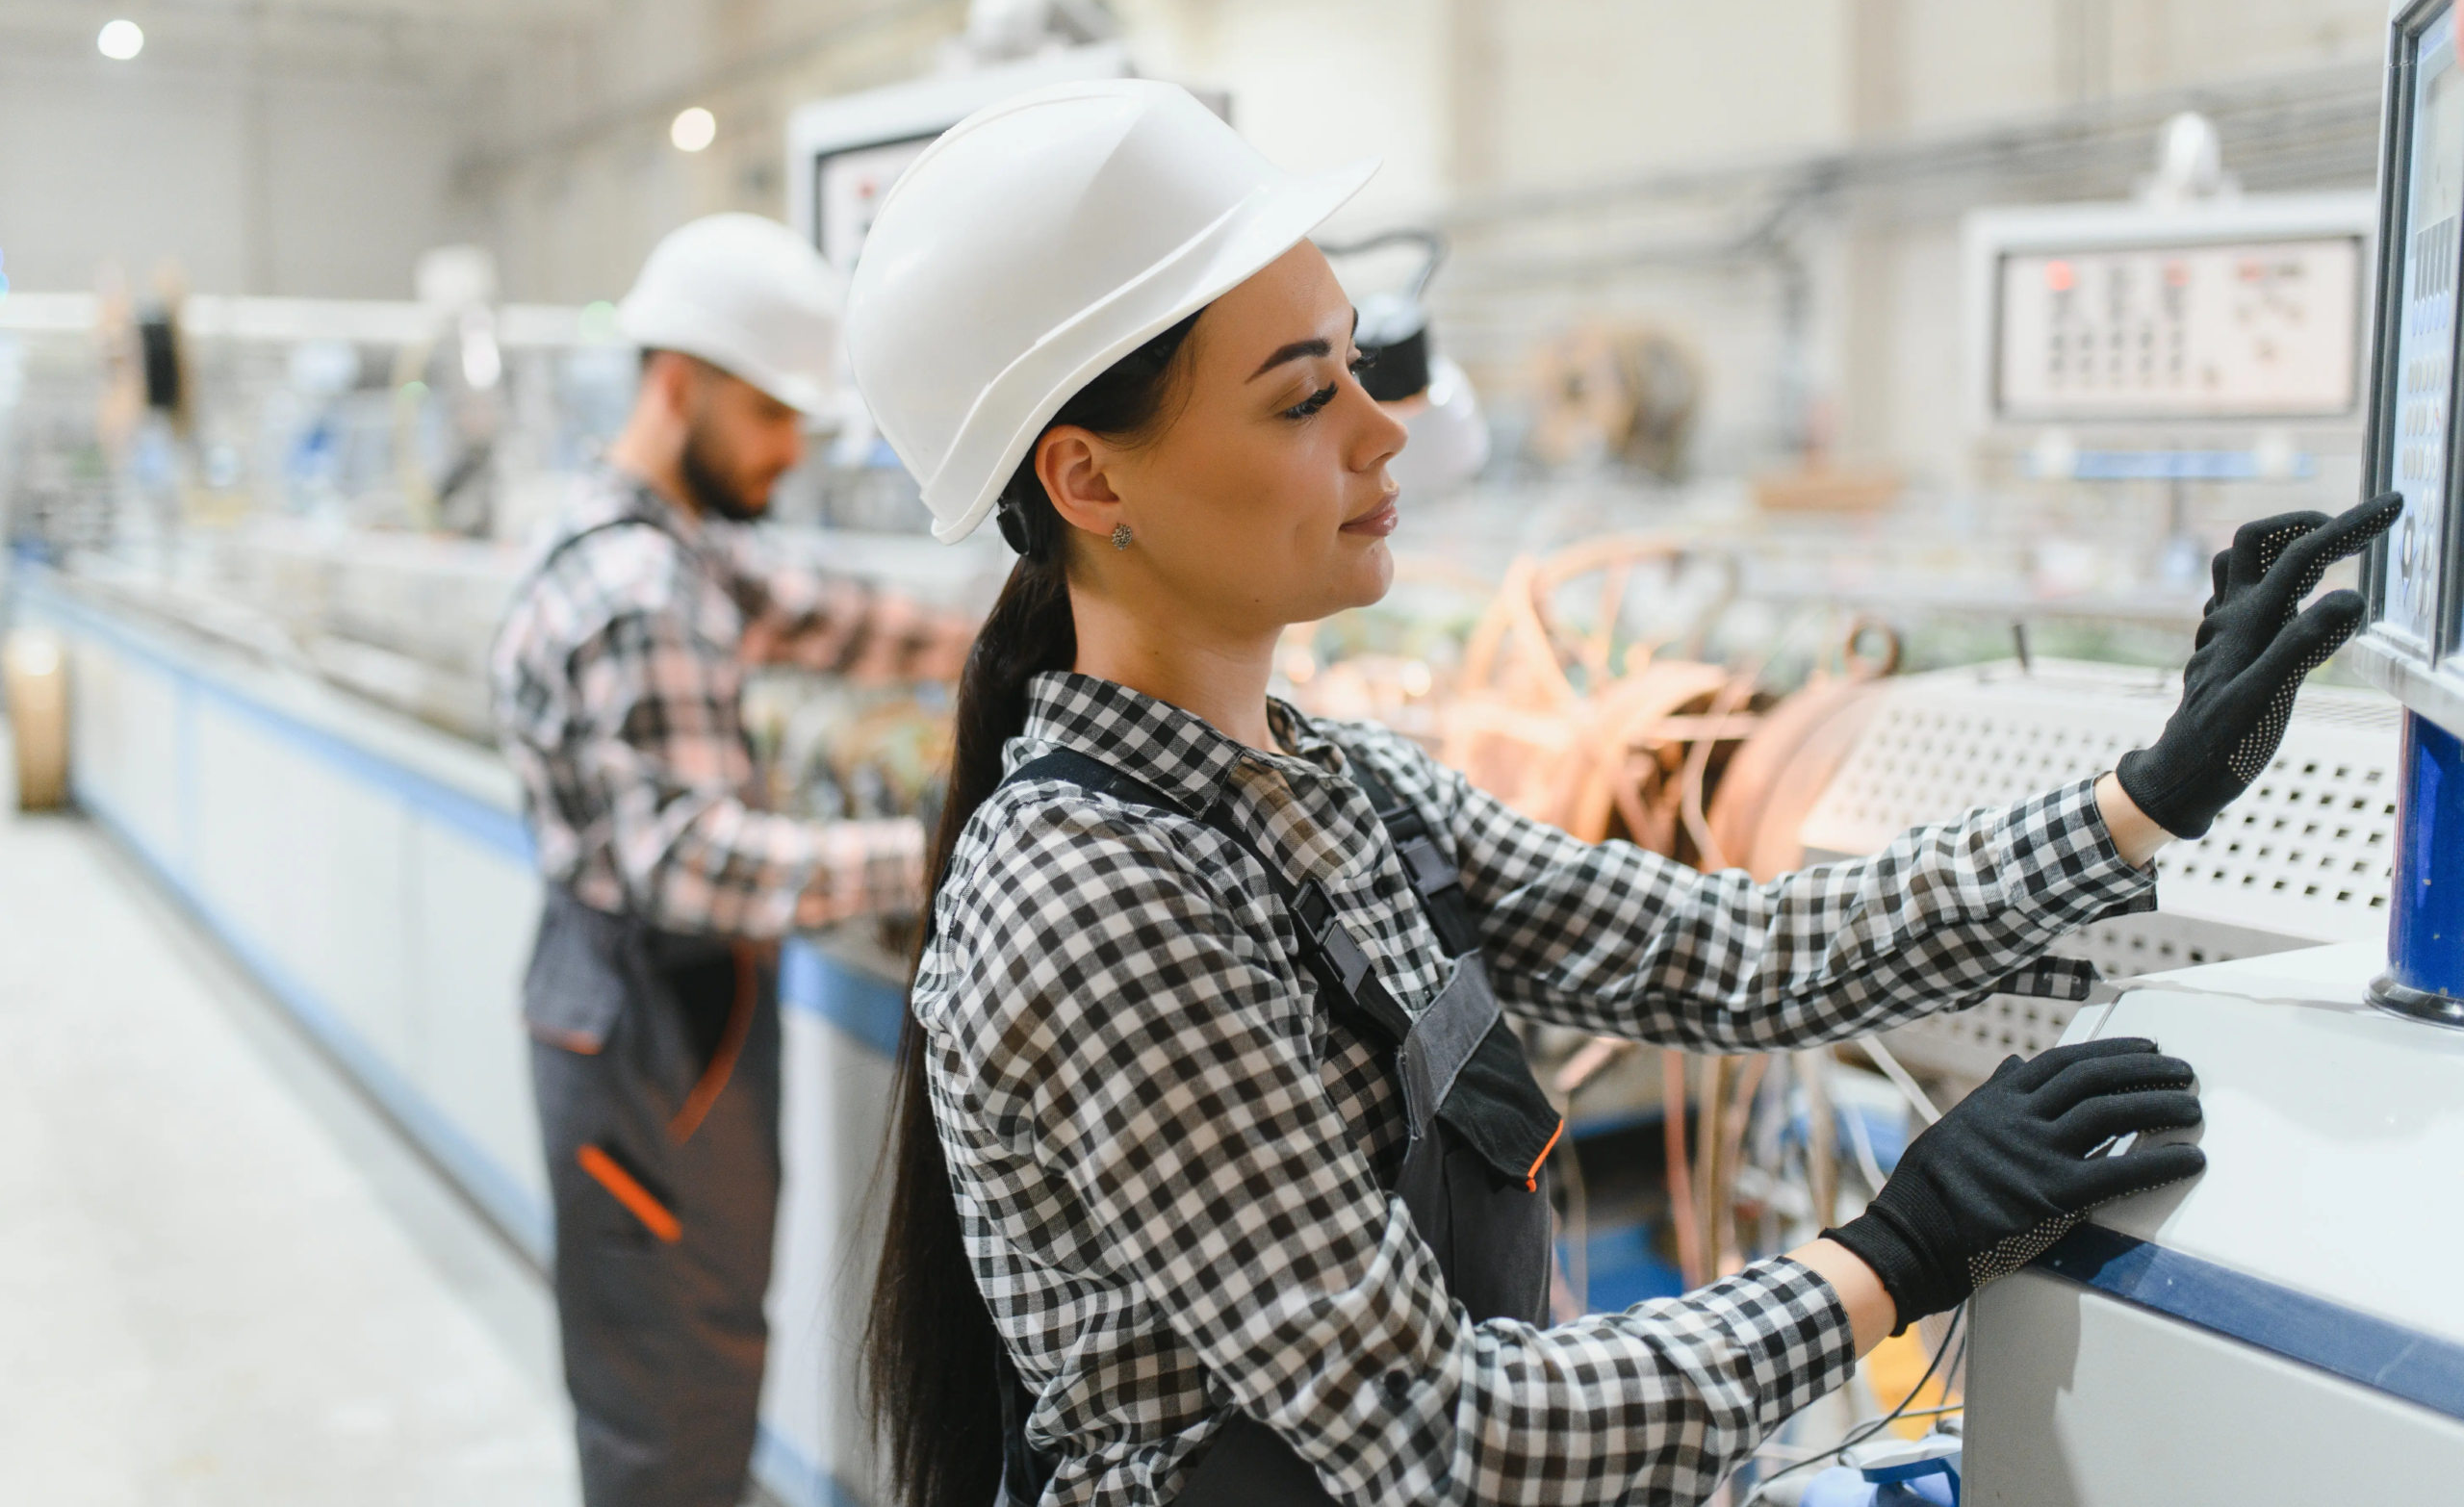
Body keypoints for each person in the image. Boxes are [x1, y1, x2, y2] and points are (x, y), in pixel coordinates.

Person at [842, 82, 2400, 1507]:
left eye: (1358, 370)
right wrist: (1888, 1255)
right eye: (1304, 398)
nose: (1385, 432)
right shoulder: (1096, 898)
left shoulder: (1335, 790)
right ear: (1089, 480)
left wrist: (2143, 799)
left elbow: (1736, 952)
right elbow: (1441, 1434)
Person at [491, 212, 970, 1507]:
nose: (781, 456)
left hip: (625, 1016)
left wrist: (989, 636)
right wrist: (942, 850)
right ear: (679, 381)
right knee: (677, 1391)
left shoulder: (642, 534)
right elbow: (697, 863)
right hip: (656, 1032)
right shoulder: (642, 589)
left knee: (677, 1364)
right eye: (768, 418)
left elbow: (807, 610)